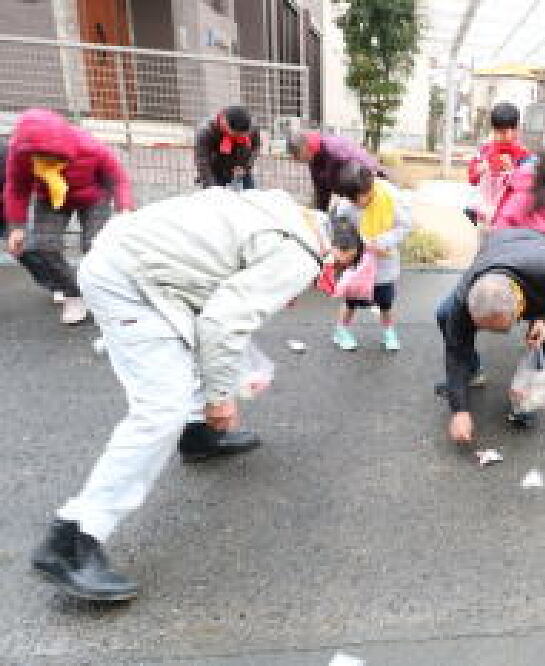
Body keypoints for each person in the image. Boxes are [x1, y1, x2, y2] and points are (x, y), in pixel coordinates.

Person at [30, 187, 361, 601]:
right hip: (132, 282)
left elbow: (214, 297)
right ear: (334, 251)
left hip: (138, 262)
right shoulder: (301, 255)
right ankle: (71, 541)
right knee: (160, 409)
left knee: (191, 348)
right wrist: (220, 397)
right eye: (332, 271)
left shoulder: (285, 208)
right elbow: (223, 323)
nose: (320, 283)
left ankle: (196, 435)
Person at [436, 228, 545, 441]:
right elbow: (455, 351)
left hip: (541, 258)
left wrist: (544, 318)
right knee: (444, 314)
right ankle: (472, 371)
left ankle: (531, 395)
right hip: (497, 249)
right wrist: (459, 411)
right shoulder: (465, 294)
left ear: (520, 307)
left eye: (505, 326)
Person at [4, 108, 133, 324]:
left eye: (50, 157)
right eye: (37, 157)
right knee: (43, 246)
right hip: (51, 197)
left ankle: (107, 291)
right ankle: (73, 292)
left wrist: (125, 207)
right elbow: (17, 188)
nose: (43, 161)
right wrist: (16, 226)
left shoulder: (90, 147)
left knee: (95, 245)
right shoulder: (20, 155)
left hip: (94, 196)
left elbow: (117, 178)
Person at [330, 161, 412, 352]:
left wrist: (382, 241)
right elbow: (341, 229)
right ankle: (340, 331)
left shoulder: (392, 198)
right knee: (351, 300)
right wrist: (352, 245)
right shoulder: (347, 204)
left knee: (385, 302)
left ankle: (389, 333)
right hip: (358, 264)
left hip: (383, 261)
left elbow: (405, 226)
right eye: (350, 199)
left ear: (369, 188)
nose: (354, 203)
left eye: (357, 199)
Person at [0, 136, 61, 297]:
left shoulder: (5, 152)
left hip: (8, 210)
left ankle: (59, 285)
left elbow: (15, 187)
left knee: (26, 250)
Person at [464, 102, 533, 226]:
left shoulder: (524, 155)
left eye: (509, 131)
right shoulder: (485, 151)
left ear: (517, 129)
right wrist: (481, 169)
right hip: (486, 213)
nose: (505, 136)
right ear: (493, 130)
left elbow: (526, 187)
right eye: (500, 132)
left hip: (511, 215)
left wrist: (512, 171)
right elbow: (472, 179)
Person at [287, 130, 383, 212]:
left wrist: (365, 191)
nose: (296, 159)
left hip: (371, 185)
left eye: (296, 154)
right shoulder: (313, 159)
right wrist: (320, 216)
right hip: (356, 197)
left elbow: (362, 168)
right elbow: (322, 191)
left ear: (305, 147)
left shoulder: (333, 149)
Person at [194, 105, 260, 190]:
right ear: (224, 123)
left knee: (250, 197)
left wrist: (246, 167)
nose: (241, 137)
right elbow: (202, 161)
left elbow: (256, 147)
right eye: (237, 135)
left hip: (242, 170)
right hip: (215, 172)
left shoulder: (251, 128)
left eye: (243, 135)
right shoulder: (206, 131)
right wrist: (212, 187)